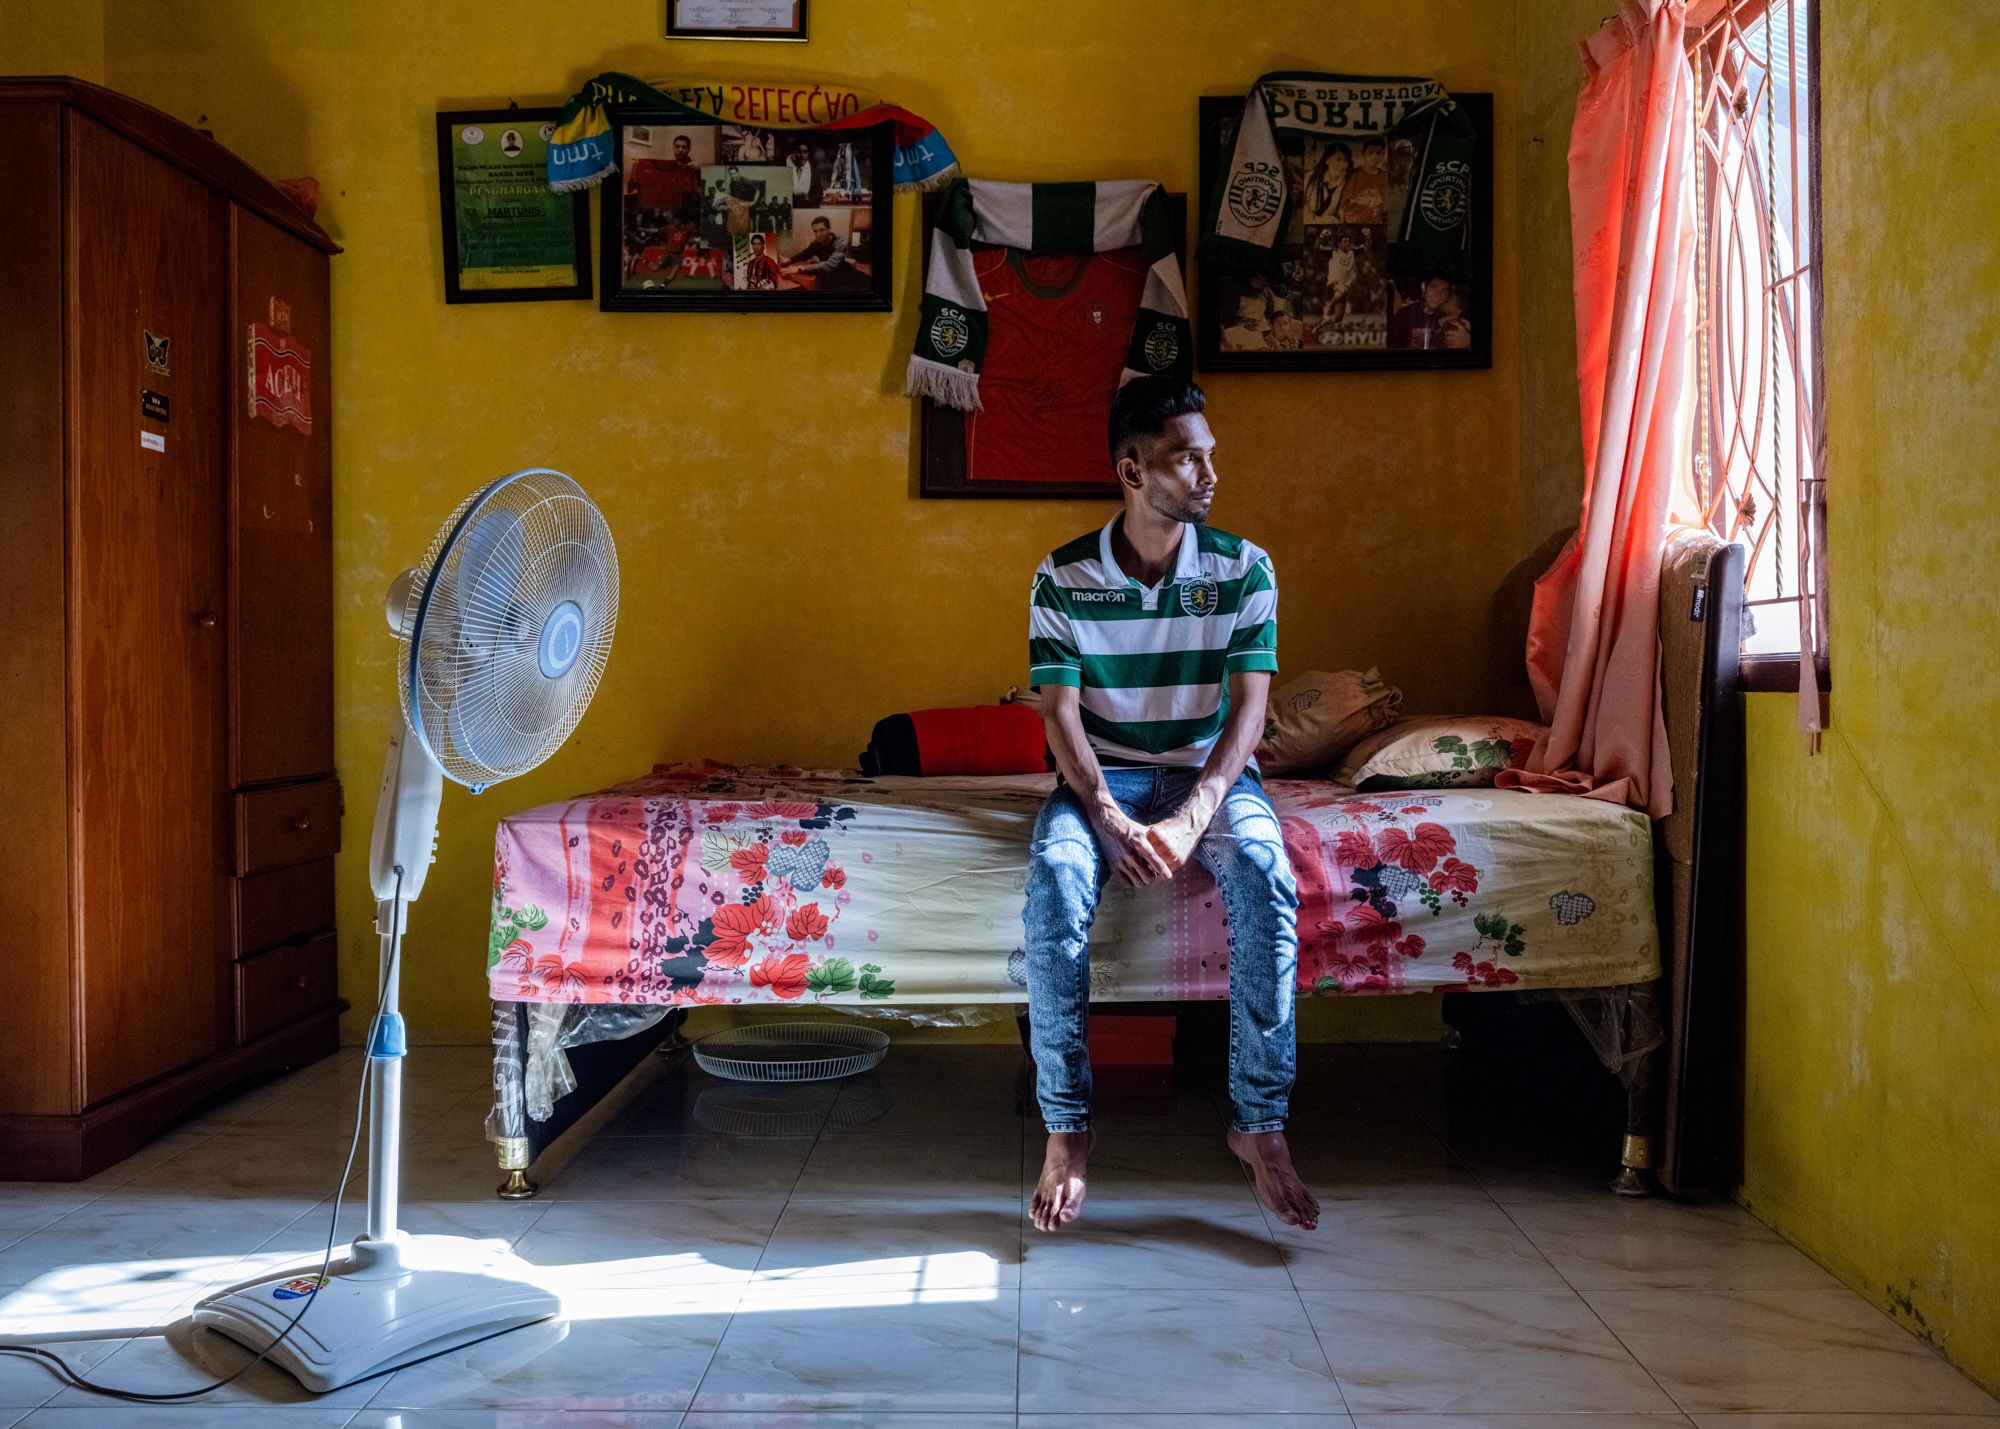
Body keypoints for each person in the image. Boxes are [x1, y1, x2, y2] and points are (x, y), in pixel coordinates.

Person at [1022, 375, 1319, 1235]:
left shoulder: (1244, 568)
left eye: (1209, 454)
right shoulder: (1062, 575)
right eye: (1187, 458)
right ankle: (1067, 1128)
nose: (1210, 472)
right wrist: (1108, 817)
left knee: (1265, 871)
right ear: (1132, 469)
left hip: (1212, 780)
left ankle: (1259, 1124)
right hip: (1100, 780)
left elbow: (1251, 712)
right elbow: (1061, 714)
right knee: (1055, 880)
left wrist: (1194, 814)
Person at [624, 133, 702, 217]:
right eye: (677, 146)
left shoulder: (694, 168)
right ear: (673, 148)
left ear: (688, 149)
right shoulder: (668, 166)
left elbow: (699, 194)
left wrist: (701, 170)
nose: (680, 150)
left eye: (684, 147)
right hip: (664, 206)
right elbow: (631, 188)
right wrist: (638, 166)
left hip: (685, 210)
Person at [1339, 137, 1390, 225]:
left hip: (1374, 223)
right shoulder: (1354, 175)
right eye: (1370, 152)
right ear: (1363, 153)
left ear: (1383, 154)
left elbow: (1384, 201)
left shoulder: (1384, 176)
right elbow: (1343, 203)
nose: (1375, 156)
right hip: (1354, 222)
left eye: (1379, 153)